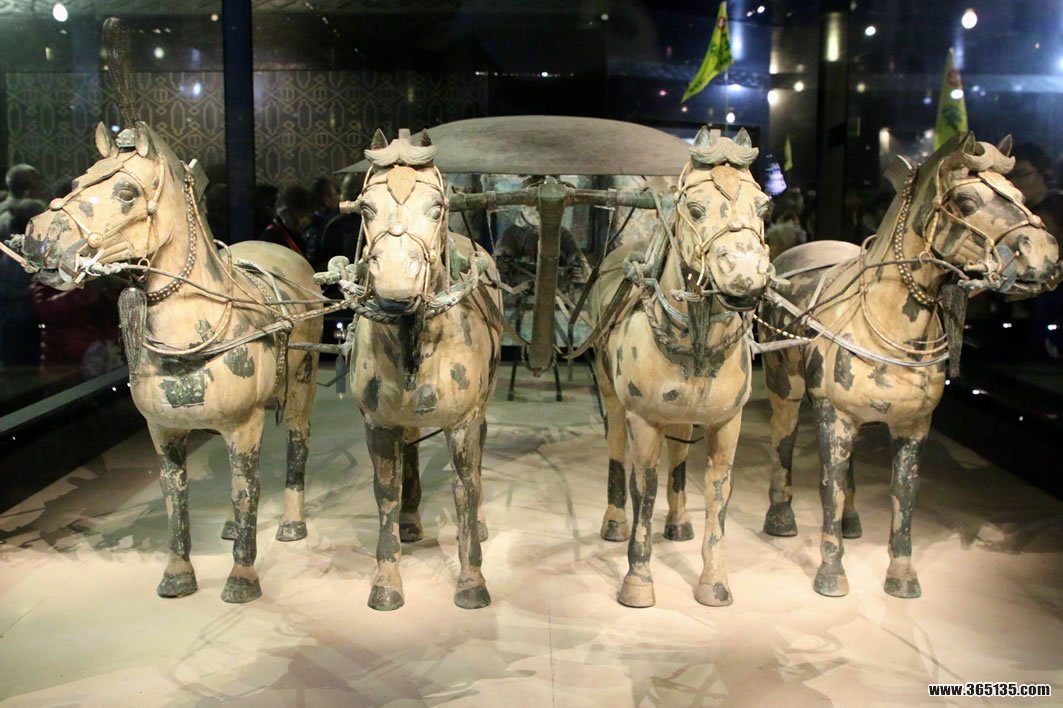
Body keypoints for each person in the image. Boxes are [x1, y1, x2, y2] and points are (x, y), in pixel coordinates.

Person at [1011, 143, 1063, 238]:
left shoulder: (1059, 206)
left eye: (1022, 174)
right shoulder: (1012, 211)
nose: (1013, 182)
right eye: (1009, 176)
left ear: (1043, 173)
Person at [260, 185, 312, 256]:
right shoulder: (271, 239)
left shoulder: (296, 235)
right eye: (301, 216)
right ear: (285, 213)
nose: (306, 221)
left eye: (308, 216)